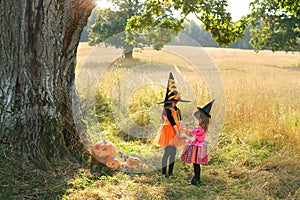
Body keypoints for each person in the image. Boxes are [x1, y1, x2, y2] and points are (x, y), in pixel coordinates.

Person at [155, 72, 190, 178]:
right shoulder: (167, 110)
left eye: (176, 101)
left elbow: (180, 120)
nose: (176, 103)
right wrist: (178, 133)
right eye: (174, 101)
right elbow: (172, 122)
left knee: (173, 154)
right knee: (167, 153)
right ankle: (164, 172)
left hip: (176, 131)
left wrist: (184, 130)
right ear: (169, 101)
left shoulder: (177, 109)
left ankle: (170, 173)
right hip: (170, 132)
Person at [180, 99, 215, 186]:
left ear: (201, 119)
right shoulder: (202, 128)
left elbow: (192, 139)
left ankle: (197, 179)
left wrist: (185, 136)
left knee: (196, 164)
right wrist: (191, 129)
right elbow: (195, 132)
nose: (195, 121)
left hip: (197, 148)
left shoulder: (199, 129)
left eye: (195, 120)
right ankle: (196, 178)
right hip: (199, 147)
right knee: (196, 164)